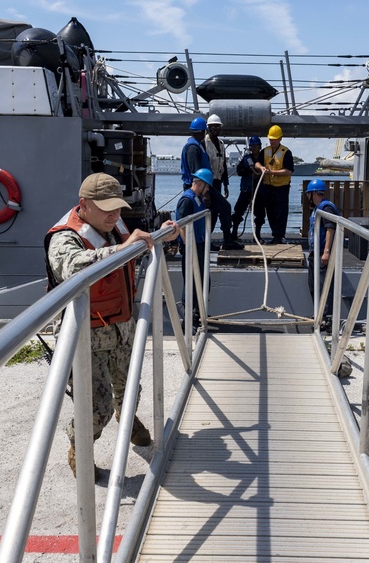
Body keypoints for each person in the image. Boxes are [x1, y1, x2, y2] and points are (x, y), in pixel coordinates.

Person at [45, 172, 178, 480]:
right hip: (84, 336)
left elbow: (134, 244)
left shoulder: (113, 224)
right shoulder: (64, 237)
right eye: (106, 208)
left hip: (120, 326)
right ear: (84, 205)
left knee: (129, 385)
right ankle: (80, 449)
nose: (114, 215)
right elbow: (71, 267)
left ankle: (128, 418)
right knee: (95, 407)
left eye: (117, 207)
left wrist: (160, 235)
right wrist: (120, 250)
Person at [182, 115, 243, 251]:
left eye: (218, 126)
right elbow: (196, 170)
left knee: (214, 213)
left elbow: (223, 164)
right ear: (206, 129)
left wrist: (226, 184)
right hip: (205, 185)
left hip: (215, 183)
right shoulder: (200, 144)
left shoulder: (220, 144)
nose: (215, 129)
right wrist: (205, 192)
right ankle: (224, 240)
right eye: (212, 126)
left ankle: (208, 242)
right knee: (222, 208)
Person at [175, 168, 212, 324]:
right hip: (192, 247)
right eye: (208, 186)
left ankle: (197, 313)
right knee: (191, 283)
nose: (208, 190)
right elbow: (181, 225)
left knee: (203, 280)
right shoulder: (187, 200)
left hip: (199, 244)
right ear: (201, 184)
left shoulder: (197, 198)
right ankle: (188, 319)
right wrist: (188, 247)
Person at [254, 124, 294, 244]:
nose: (273, 141)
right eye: (271, 139)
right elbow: (257, 163)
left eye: (275, 139)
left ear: (280, 139)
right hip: (268, 186)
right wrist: (261, 168)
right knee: (270, 211)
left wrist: (272, 172)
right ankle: (275, 234)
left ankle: (279, 235)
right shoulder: (265, 151)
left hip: (282, 187)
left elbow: (288, 170)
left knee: (281, 212)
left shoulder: (286, 152)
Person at [306, 179, 338, 325]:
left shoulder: (326, 208)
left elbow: (330, 229)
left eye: (308, 194)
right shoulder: (317, 209)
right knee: (313, 285)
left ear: (313, 193)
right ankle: (318, 314)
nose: (307, 197)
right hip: (315, 253)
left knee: (323, 286)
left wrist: (326, 252)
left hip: (322, 254)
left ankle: (325, 318)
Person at [232, 136, 263, 241]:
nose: (254, 148)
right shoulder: (246, 159)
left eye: (256, 146)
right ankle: (234, 233)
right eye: (252, 146)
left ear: (259, 146)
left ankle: (257, 236)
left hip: (259, 191)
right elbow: (239, 171)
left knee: (260, 214)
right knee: (238, 212)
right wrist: (248, 171)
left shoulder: (263, 159)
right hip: (246, 190)